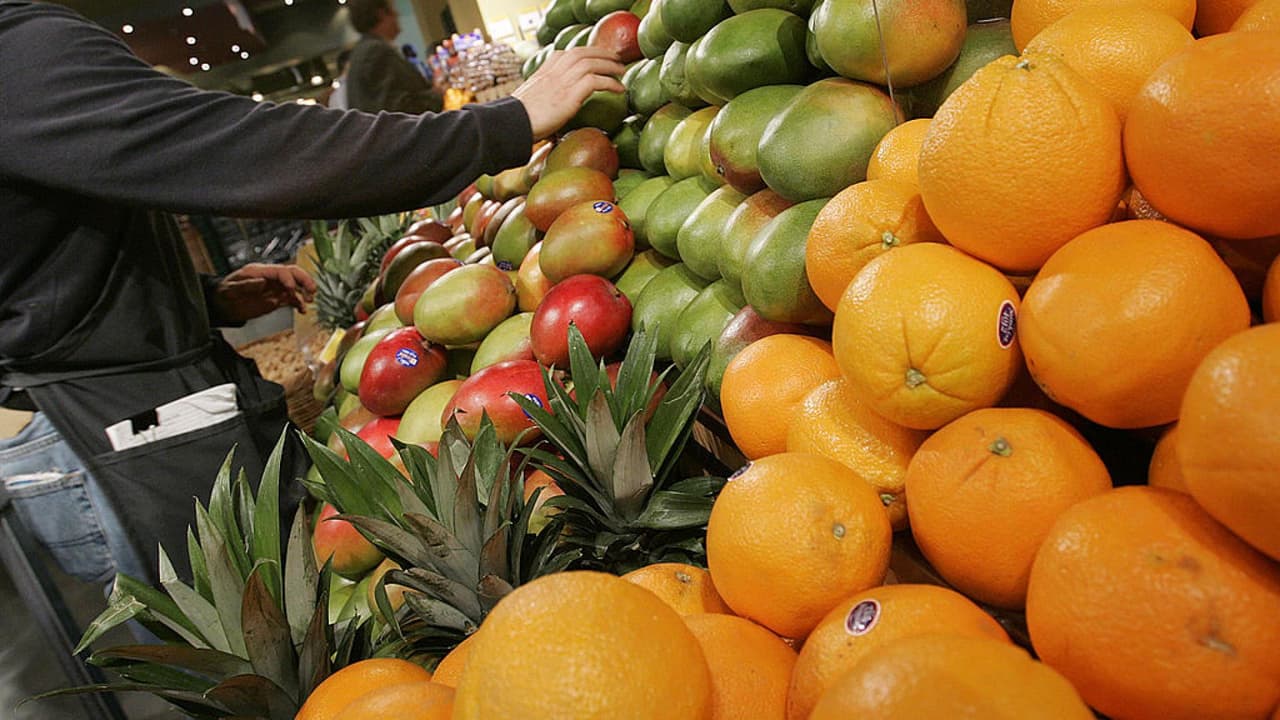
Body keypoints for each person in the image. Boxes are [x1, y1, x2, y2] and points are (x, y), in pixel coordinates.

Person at [0, 0, 622, 597]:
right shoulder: (16, 53)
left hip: (89, 409)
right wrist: (501, 123)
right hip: (101, 419)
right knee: (253, 657)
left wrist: (200, 298)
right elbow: (239, 149)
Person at [345, 0, 444, 113]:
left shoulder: (364, 50)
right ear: (381, 14)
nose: (397, 14)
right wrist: (438, 93)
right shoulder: (375, 51)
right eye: (393, 10)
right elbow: (396, 109)